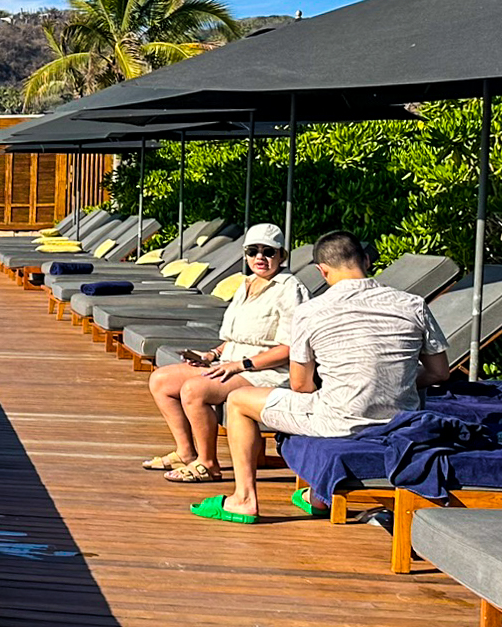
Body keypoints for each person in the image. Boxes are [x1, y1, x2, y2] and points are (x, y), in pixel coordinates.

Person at [192, 229, 451, 524]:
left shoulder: (312, 311)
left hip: (341, 420)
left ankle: (244, 499)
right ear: (366, 261)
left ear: (322, 271)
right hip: (401, 419)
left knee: (238, 401)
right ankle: (317, 497)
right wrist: (394, 383)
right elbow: (439, 372)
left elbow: (301, 385)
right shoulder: (413, 304)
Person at [142, 223, 304, 483]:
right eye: (253, 251)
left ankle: (208, 463)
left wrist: (241, 365)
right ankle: (185, 452)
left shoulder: (288, 289)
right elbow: (236, 337)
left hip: (266, 372)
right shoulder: (247, 284)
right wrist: (210, 355)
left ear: (282, 255)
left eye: (268, 252)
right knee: (161, 381)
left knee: (195, 390)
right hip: (232, 363)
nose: (259, 258)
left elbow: (291, 348)